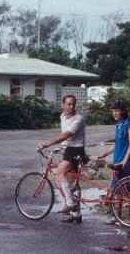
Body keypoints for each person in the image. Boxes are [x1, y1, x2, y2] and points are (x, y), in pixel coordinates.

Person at [37, 94, 85, 223]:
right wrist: (61, 146)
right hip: (69, 149)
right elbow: (66, 138)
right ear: (63, 105)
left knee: (59, 172)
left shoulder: (79, 118)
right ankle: (77, 215)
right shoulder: (63, 116)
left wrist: (49, 143)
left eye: (73, 104)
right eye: (68, 104)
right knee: (70, 183)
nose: (71, 106)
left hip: (76, 150)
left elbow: (67, 134)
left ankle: (70, 203)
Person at [97, 102, 130, 225]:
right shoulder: (118, 125)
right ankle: (117, 216)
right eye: (113, 110)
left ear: (122, 111)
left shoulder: (127, 124)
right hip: (117, 160)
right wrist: (104, 154)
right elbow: (116, 144)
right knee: (117, 189)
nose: (114, 113)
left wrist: (125, 160)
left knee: (126, 189)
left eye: (117, 110)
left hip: (127, 161)